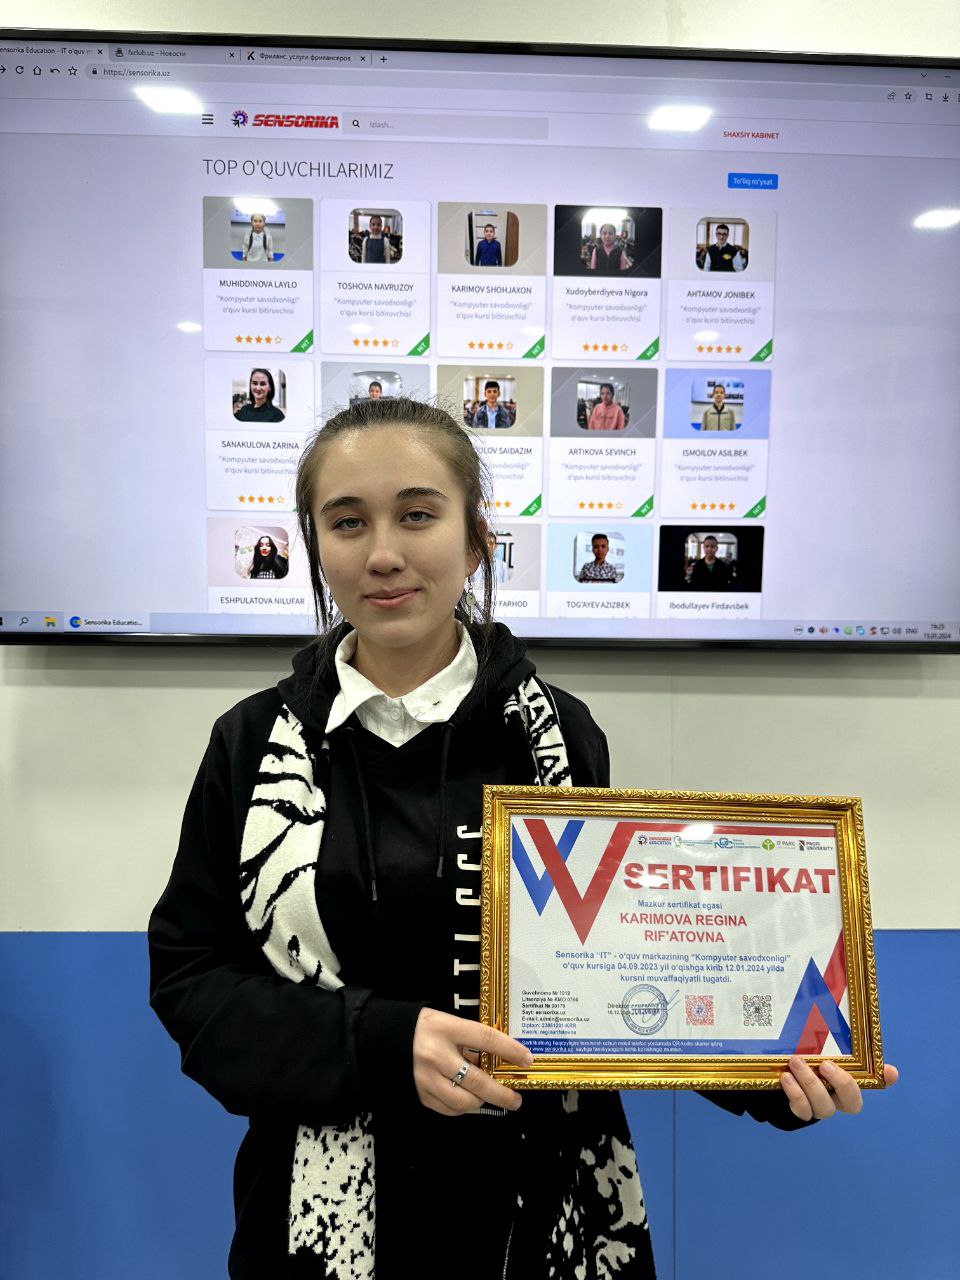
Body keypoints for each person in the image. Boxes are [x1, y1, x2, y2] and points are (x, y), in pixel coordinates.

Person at [150, 397, 897, 1279]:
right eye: (347, 522)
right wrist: (379, 1044)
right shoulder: (252, 744)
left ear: (476, 541)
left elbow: (620, 969)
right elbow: (195, 984)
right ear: (314, 545)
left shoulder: (558, 737)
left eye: (417, 515)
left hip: (547, 1207)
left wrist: (768, 1069)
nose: (382, 552)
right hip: (326, 1218)